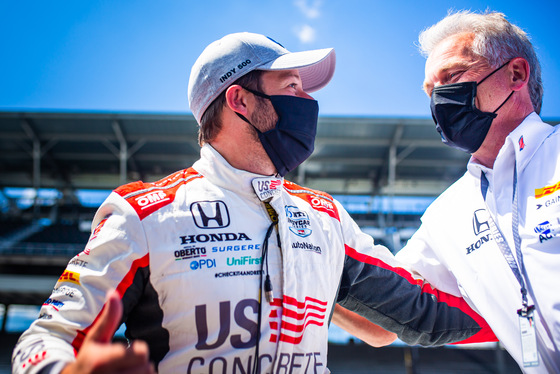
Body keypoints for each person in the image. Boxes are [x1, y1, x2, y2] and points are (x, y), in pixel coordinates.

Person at [12, 32, 495, 374]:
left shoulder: (323, 217)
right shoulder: (144, 215)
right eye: (291, 86)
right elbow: (42, 340)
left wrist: (532, 312)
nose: (307, 101)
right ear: (240, 101)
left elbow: (423, 311)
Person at [335, 10, 560, 373]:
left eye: (452, 76)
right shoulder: (448, 214)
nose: (440, 98)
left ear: (516, 74)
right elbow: (383, 323)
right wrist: (312, 260)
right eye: (431, 90)